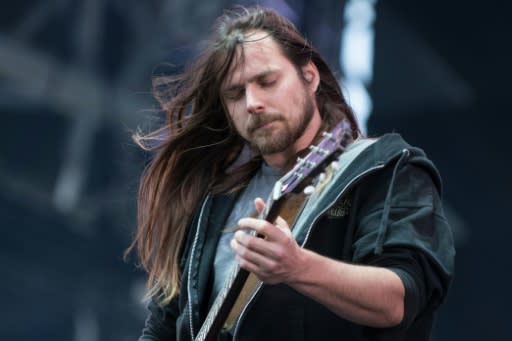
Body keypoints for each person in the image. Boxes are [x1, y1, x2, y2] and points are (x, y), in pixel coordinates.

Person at [128, 6, 455, 341]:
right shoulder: (214, 201)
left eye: (266, 81)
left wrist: (298, 267)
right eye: (236, 93)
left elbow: (397, 302)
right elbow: (164, 323)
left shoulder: (383, 170)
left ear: (309, 76)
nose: (253, 102)